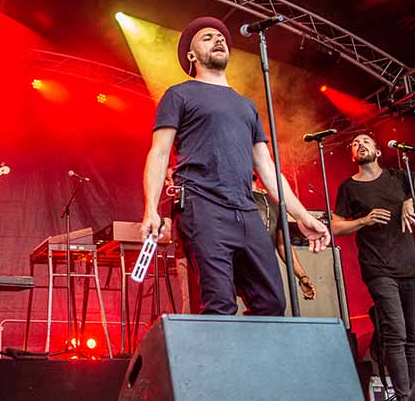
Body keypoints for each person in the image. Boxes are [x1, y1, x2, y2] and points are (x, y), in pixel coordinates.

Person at [141, 16, 329, 316]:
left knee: (272, 303)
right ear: (191, 56)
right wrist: (150, 207)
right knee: (220, 303)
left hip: (245, 210)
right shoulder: (179, 94)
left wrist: (302, 216)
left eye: (220, 37)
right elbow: (159, 152)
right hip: (202, 204)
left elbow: (267, 168)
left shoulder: (246, 106)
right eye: (206, 37)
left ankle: (251, 363)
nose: (217, 39)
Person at [332, 133, 415, 399]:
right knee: (395, 332)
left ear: (377, 150)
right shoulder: (349, 187)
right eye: (355, 144)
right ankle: (404, 394)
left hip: (409, 265)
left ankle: (414, 396)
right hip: (378, 268)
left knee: (411, 334)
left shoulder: (398, 177)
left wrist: (411, 200)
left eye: (365, 141)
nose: (360, 145)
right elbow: (335, 226)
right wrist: (364, 220)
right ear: (353, 155)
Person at [252, 177, 316, 300]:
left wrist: (302, 276)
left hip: (263, 270)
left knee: (275, 307)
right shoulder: (230, 197)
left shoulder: (273, 203)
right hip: (234, 268)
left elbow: (283, 245)